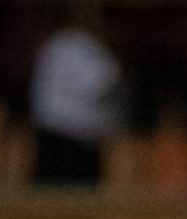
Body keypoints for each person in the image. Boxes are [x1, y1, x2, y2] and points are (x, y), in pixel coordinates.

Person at [31, 1, 125, 186]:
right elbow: (103, 83)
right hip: (70, 143)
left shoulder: (55, 45)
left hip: (58, 138)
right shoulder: (79, 46)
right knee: (71, 202)